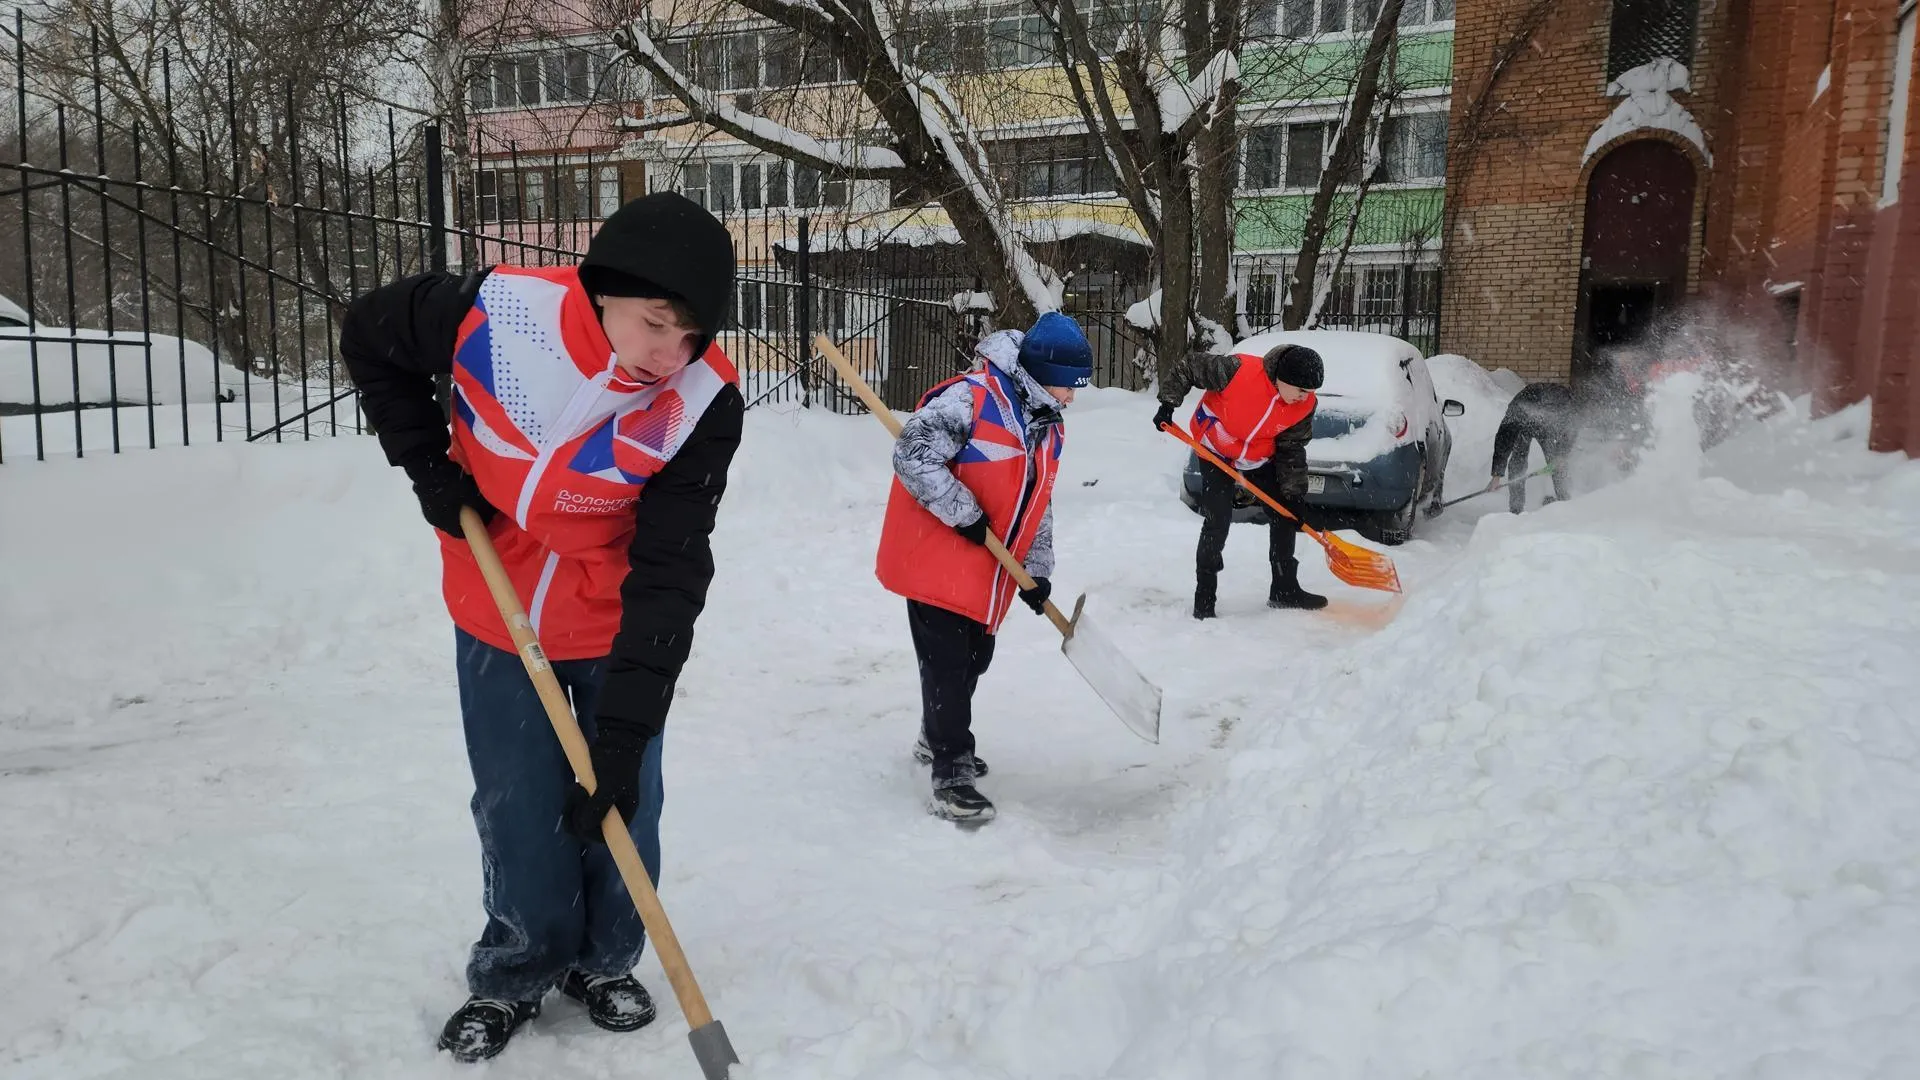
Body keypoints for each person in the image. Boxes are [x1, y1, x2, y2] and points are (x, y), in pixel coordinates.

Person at [339, 192, 742, 1062]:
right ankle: (518, 968)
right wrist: (429, 471)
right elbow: (370, 337)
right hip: (496, 598)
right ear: (603, 290)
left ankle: (605, 962)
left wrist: (630, 731)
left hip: (613, 617)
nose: (671, 354)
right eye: (657, 323)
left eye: (693, 336)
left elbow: (673, 566)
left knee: (623, 799)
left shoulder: (702, 402)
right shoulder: (495, 314)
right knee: (518, 800)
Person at [876, 313, 1092, 824]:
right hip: (938, 559)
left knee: (976, 658)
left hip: (988, 569)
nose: (1071, 398)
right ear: (1041, 374)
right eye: (1066, 386)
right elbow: (912, 455)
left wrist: (1037, 570)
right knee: (948, 666)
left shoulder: (1047, 425)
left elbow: (1040, 500)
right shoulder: (970, 400)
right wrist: (963, 511)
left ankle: (935, 737)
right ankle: (951, 772)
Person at [1154, 343, 1326, 619]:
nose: (1305, 397)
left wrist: (1293, 492)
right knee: (1218, 519)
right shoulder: (1237, 371)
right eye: (1301, 390)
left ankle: (1284, 588)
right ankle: (1205, 598)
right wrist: (1167, 404)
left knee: (1284, 513)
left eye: (1310, 392)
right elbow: (1189, 366)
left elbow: (1292, 448)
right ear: (1283, 379)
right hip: (1216, 446)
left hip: (1258, 455)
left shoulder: (1304, 405)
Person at [1488, 382, 1578, 513]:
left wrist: (1562, 455)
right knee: (1517, 463)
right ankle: (1516, 509)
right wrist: (1497, 474)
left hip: (1548, 431)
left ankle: (1565, 502)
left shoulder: (1563, 405)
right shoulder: (1518, 410)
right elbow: (1504, 439)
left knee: (1557, 464)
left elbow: (1570, 431)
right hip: (1524, 427)